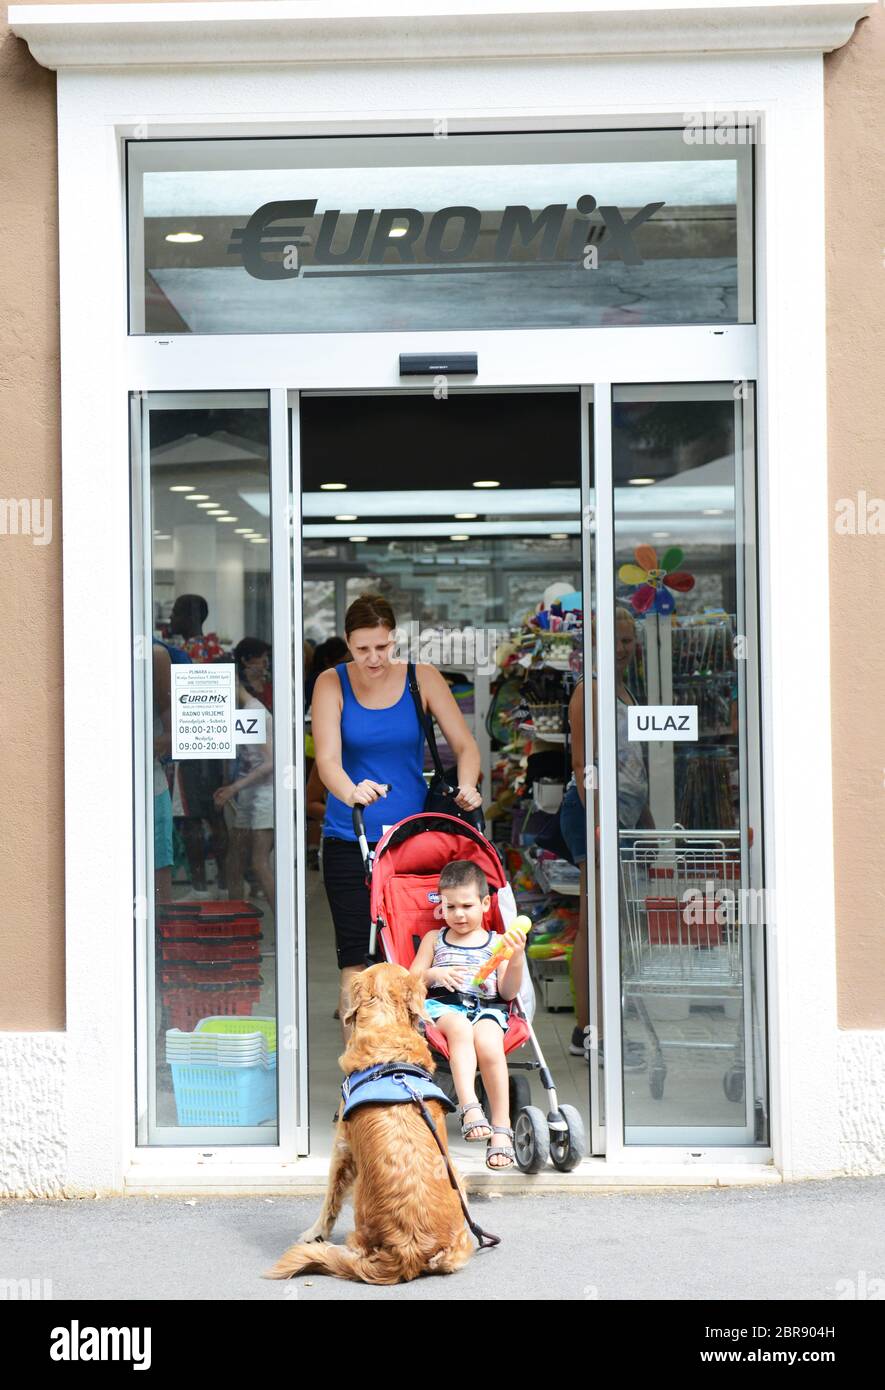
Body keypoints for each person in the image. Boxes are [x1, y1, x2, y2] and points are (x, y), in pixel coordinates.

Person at [312, 592, 482, 1036]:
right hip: (351, 837)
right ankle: (358, 1077)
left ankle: (410, 1056)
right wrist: (353, 791)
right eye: (362, 648)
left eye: (382, 647)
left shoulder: (420, 678)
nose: (374, 658)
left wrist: (466, 785)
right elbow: (327, 760)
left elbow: (465, 746)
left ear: (395, 639)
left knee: (411, 953)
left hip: (415, 842)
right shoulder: (331, 683)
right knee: (355, 958)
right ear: (348, 644)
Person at [561, 605, 654, 1068]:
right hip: (592, 813)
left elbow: (634, 763)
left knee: (608, 918)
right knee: (594, 918)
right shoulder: (589, 691)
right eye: (617, 640)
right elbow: (583, 767)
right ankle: (588, 1029)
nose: (625, 648)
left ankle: (599, 1024)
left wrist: (648, 818)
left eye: (629, 639)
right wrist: (600, 824)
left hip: (624, 814)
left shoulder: (624, 690)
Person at [410, 860, 526, 1170]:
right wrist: (433, 975)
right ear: (441, 907)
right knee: (460, 1028)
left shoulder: (498, 943)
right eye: (451, 906)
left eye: (467, 905)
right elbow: (410, 980)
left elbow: (509, 991)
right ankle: (470, 1107)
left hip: (488, 1008)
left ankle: (501, 1130)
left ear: (486, 903)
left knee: (489, 1044)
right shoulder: (435, 939)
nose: (459, 914)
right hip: (444, 1009)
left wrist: (516, 958)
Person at [213, 639, 275, 910]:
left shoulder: (252, 711)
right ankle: (237, 921)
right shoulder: (247, 710)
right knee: (235, 860)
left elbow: (268, 762)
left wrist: (233, 787)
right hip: (252, 795)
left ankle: (287, 930)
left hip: (262, 795)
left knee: (257, 862)